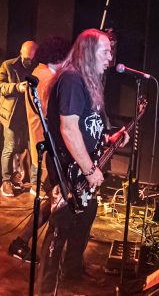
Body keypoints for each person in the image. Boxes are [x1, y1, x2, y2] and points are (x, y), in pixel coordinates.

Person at [37, 29, 116, 295]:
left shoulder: (89, 82)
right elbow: (69, 129)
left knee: (86, 216)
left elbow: (88, 126)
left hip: (82, 168)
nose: (110, 57)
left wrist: (111, 138)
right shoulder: (72, 79)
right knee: (59, 229)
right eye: (105, 51)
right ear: (88, 52)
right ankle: (46, 290)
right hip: (68, 170)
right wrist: (90, 169)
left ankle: (71, 274)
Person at [7, 35, 71, 261]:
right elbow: (53, 116)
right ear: (60, 55)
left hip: (44, 148)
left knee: (52, 200)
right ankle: (28, 245)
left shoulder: (41, 74)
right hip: (47, 151)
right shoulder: (46, 78)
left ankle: (21, 242)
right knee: (56, 201)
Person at [0, 40, 37, 197]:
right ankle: (6, 182)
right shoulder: (8, 65)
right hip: (12, 116)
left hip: (31, 116)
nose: (28, 62)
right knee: (10, 147)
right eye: (26, 58)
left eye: (32, 59)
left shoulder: (38, 67)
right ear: (20, 52)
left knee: (34, 150)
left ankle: (35, 183)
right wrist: (17, 87)